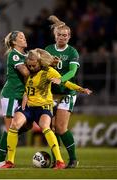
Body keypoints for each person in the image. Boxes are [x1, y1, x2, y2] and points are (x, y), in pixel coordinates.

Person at [0, 48, 91, 169]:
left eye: (33, 65)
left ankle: (59, 161)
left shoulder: (49, 71)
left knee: (45, 127)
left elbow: (66, 83)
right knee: (14, 125)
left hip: (43, 107)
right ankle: (10, 161)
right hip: (28, 107)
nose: (31, 68)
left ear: (39, 62)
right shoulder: (27, 71)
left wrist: (81, 89)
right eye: (29, 65)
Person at [45, 15, 83, 168]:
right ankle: (57, 160)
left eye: (65, 35)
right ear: (55, 35)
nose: (62, 37)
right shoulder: (48, 50)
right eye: (60, 35)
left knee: (60, 128)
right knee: (51, 128)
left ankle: (73, 159)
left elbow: (73, 72)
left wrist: (60, 79)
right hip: (50, 94)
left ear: (69, 37)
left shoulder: (72, 52)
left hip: (67, 93)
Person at [0, 31, 30, 168]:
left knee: (27, 125)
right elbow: (25, 72)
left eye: (24, 36)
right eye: (21, 37)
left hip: (21, 96)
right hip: (11, 95)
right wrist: (41, 67)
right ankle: (0, 161)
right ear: (14, 42)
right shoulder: (14, 54)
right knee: (10, 129)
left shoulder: (25, 55)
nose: (24, 39)